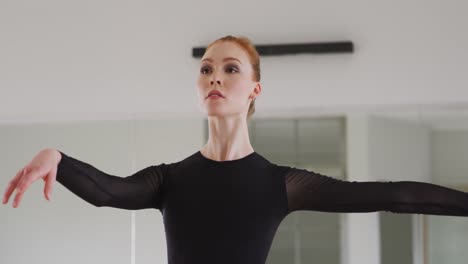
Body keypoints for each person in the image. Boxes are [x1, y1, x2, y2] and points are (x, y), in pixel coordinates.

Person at [3, 35, 468, 264]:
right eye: (206, 70)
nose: (215, 78)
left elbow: (395, 196)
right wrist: (56, 159)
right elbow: (108, 191)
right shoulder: (170, 180)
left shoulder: (280, 185)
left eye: (229, 69)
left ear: (254, 91)